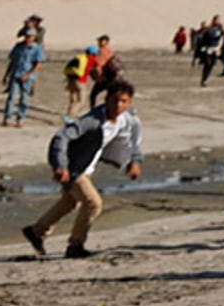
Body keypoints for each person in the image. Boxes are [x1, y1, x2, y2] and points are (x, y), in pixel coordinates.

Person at [23, 79, 143, 260]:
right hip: (72, 167)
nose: (118, 105)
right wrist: (60, 166)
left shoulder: (127, 120)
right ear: (107, 99)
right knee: (93, 203)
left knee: (69, 203)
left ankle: (36, 231)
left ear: (130, 102)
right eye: (115, 100)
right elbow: (61, 137)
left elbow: (132, 143)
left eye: (123, 101)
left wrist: (133, 162)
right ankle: (75, 245)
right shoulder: (92, 121)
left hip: (86, 168)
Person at [1, 27, 45, 128]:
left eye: (30, 37)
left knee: (24, 99)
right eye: (26, 36)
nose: (28, 38)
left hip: (27, 77)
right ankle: (7, 117)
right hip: (16, 74)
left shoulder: (37, 49)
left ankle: (20, 119)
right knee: (11, 97)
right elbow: (12, 61)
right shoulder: (18, 47)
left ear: (34, 38)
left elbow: (39, 64)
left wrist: (29, 75)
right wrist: (6, 75)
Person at [63, 46, 95, 119]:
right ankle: (69, 117)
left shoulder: (79, 57)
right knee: (81, 101)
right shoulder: (91, 60)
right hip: (80, 82)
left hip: (70, 80)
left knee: (73, 101)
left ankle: (68, 116)